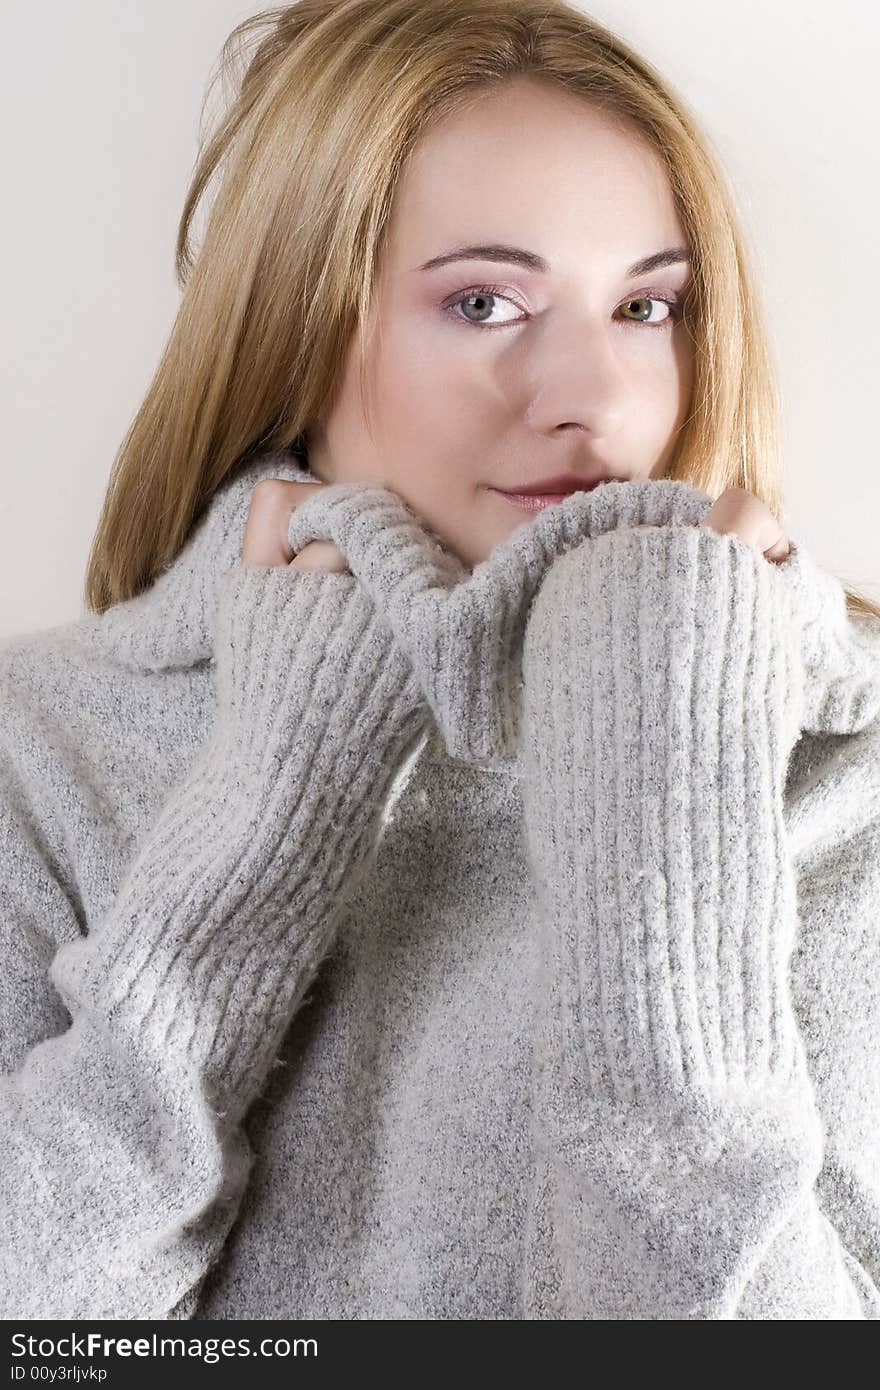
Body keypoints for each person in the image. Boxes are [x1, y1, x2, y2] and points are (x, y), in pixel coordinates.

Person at [2, 0, 879, 1322]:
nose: (592, 393)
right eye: (484, 301)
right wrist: (270, 809)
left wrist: (673, 766)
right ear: (293, 329)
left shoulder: (851, 766)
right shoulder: (42, 741)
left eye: (649, 304)